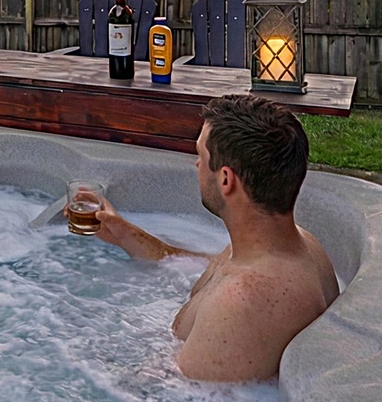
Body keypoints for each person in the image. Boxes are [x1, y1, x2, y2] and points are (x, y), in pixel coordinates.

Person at [75, 94, 339, 383]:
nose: (196, 165)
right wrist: (125, 235)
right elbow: (203, 269)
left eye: (201, 155)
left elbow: (171, 399)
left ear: (226, 179)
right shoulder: (286, 246)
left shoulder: (243, 303)